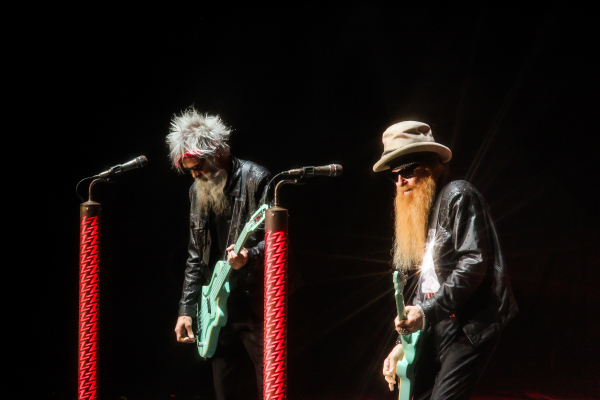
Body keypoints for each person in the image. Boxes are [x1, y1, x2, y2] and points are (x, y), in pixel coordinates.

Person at [376, 121, 518, 399]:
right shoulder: (424, 208)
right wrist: (402, 343)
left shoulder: (458, 195)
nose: (400, 182)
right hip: (441, 320)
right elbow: (427, 281)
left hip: (470, 324)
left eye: (407, 171)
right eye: (394, 175)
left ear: (431, 166)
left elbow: (473, 264)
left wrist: (426, 311)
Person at [167, 108, 271, 400]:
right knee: (225, 391)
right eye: (189, 169)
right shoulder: (196, 191)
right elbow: (194, 254)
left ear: (217, 153)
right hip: (217, 305)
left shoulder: (257, 178)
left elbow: (279, 243)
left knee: (271, 383)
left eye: (198, 165)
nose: (195, 174)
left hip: (256, 302)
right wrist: (187, 310)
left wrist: (249, 255)